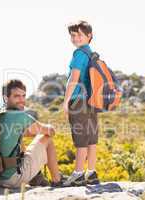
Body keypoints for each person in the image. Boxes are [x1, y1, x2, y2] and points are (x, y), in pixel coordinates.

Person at [0, 79, 65, 188]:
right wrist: (50, 127)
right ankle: (57, 180)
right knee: (46, 138)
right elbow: (50, 131)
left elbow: (21, 133)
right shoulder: (20, 116)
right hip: (12, 179)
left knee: (19, 140)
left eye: (23, 96)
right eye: (16, 96)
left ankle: (36, 177)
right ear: (6, 98)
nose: (21, 100)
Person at [63, 21, 100, 186]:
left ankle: (78, 174)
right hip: (92, 101)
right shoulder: (91, 54)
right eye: (72, 35)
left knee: (80, 139)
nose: (75, 38)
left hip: (78, 101)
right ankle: (91, 173)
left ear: (89, 36)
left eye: (79, 34)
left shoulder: (79, 54)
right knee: (91, 138)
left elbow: (74, 78)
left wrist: (66, 102)